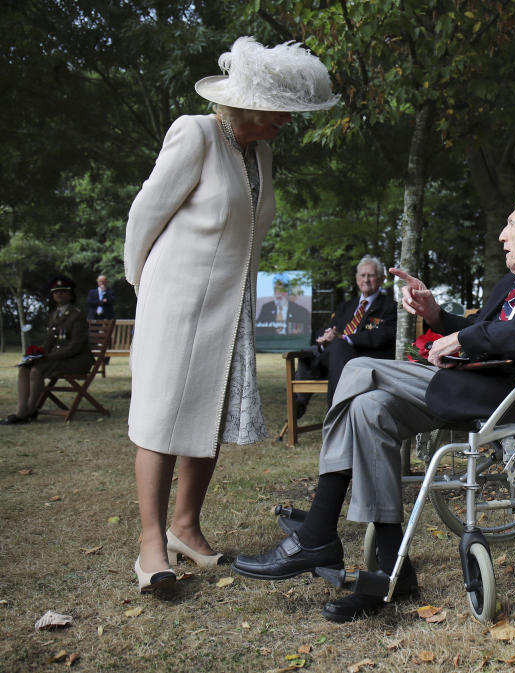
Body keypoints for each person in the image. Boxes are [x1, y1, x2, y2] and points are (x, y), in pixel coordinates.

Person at [232, 189, 515, 622]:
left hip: (514, 395)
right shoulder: (511, 286)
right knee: (369, 411)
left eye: (512, 224)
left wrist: (465, 338)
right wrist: (440, 317)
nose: (502, 235)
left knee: (359, 369)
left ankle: (316, 531)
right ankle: (393, 572)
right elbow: (482, 330)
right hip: (471, 388)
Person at [123, 36, 338, 593]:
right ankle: (151, 546)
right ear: (248, 104)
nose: (288, 122)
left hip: (231, 306)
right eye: (280, 112)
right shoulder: (194, 133)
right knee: (162, 415)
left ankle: (186, 529)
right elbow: (144, 215)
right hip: (175, 300)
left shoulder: (261, 153)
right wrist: (145, 287)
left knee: (208, 417)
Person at [293, 255, 397, 416]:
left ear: (382, 279)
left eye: (371, 275)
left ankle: (335, 413)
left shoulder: (390, 307)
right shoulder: (346, 306)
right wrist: (326, 337)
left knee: (339, 345)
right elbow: (332, 329)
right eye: (362, 275)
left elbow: (383, 335)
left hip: (361, 359)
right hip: (334, 359)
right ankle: (299, 402)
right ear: (356, 279)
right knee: (309, 352)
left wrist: (344, 338)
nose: (366, 279)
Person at [1, 276, 94, 425]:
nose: (59, 294)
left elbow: (75, 346)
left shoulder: (77, 315)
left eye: (63, 291)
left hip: (77, 360)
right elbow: (49, 341)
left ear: (71, 295)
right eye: (56, 292)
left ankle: (30, 410)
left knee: (37, 370)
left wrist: (48, 357)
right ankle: (21, 409)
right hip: (59, 359)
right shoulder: (54, 315)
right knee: (25, 368)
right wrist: (35, 354)